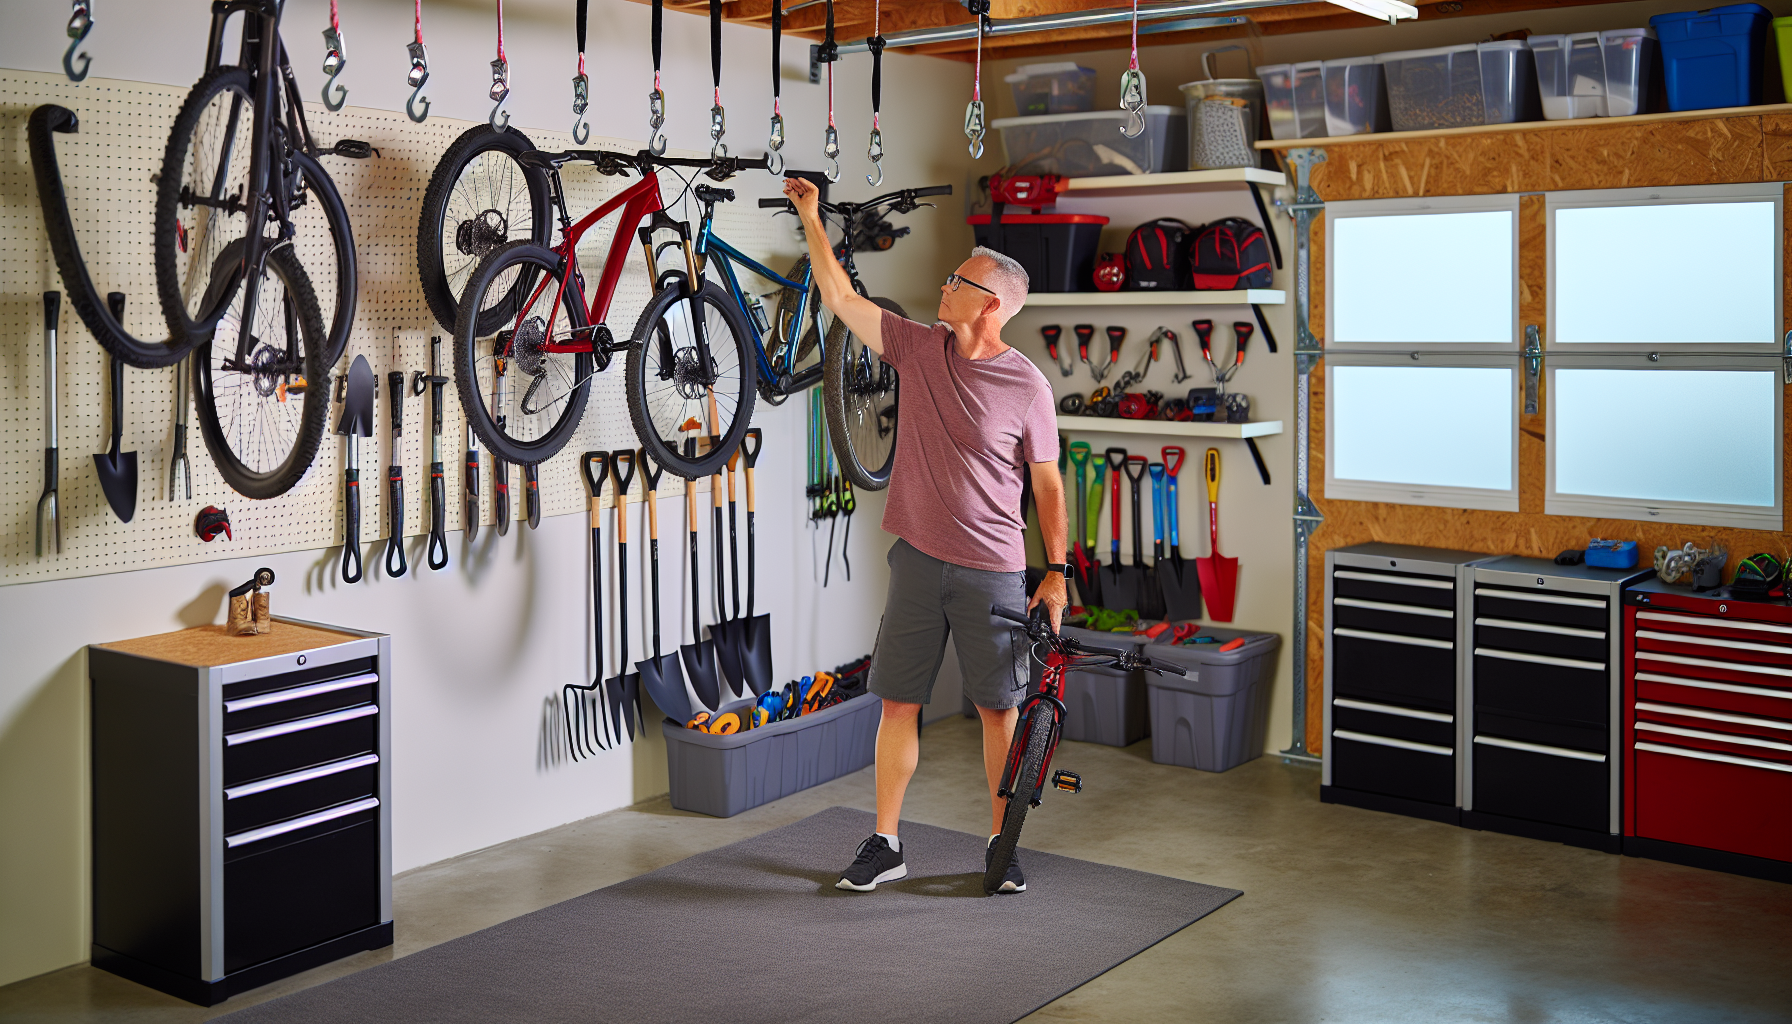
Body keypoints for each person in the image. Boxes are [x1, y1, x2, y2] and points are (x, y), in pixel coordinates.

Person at [779, 177, 1070, 895]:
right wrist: (812, 219)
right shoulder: (918, 347)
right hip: (916, 561)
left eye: (957, 281)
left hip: (993, 573)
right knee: (898, 702)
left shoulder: (1027, 387)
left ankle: (1003, 848)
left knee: (999, 711)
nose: (943, 287)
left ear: (992, 303)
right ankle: (885, 842)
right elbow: (842, 300)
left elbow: (1048, 484)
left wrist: (1057, 571)